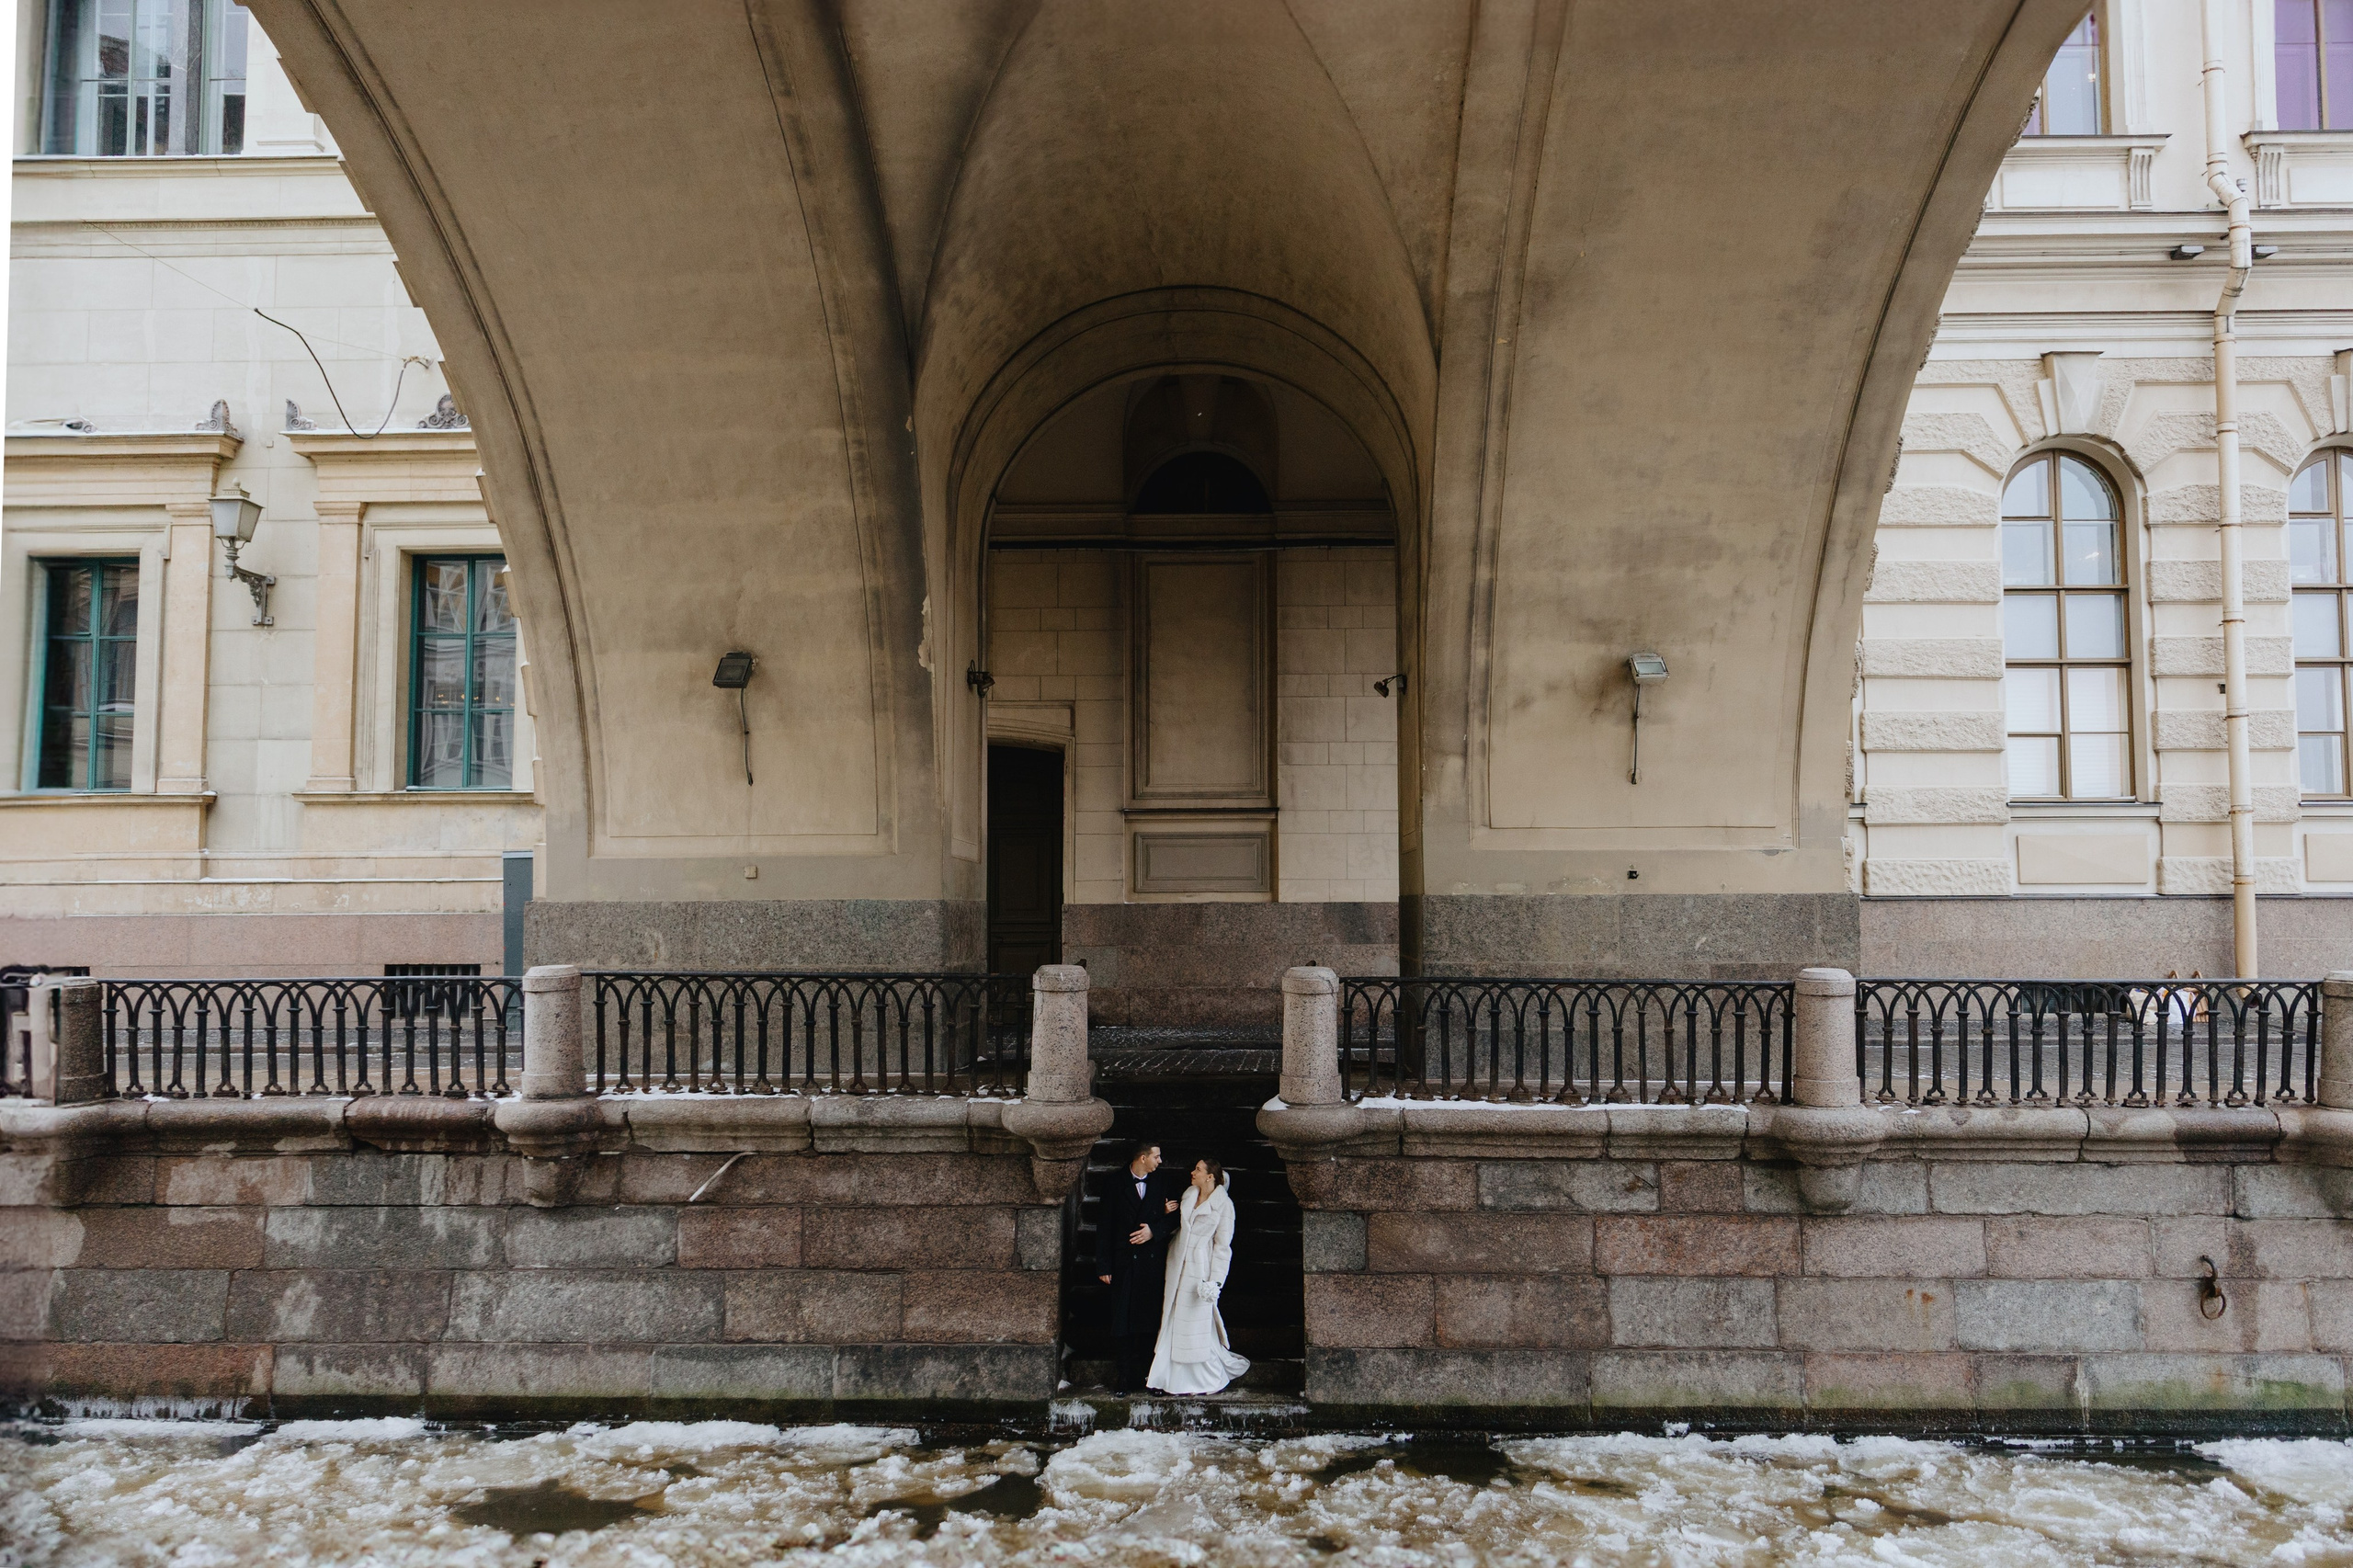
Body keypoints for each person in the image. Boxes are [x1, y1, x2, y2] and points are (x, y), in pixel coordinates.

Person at [1146, 1157, 1251, 1396]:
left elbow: (1223, 1247)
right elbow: (1180, 1227)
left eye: (1198, 1169)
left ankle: (1204, 1378)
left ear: (1211, 1176)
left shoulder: (1224, 1206)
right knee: (1173, 1319)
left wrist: (1214, 1281)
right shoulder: (1189, 1194)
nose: (1192, 1172)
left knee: (1195, 1324)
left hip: (1200, 1269)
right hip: (1178, 1262)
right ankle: (1165, 1378)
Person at [1095, 1140, 1179, 1395]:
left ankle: (1149, 1377)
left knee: (1149, 1320)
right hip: (1123, 1262)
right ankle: (1123, 1377)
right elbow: (1104, 1226)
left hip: (1152, 1262)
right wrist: (1103, 1265)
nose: (1160, 1161)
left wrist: (1154, 1230)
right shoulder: (1114, 1183)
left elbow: (1177, 1216)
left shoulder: (1163, 1182)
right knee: (1122, 1322)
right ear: (1143, 1158)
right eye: (1157, 1156)